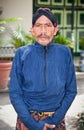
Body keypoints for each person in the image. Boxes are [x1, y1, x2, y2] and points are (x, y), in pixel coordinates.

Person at [9, 8, 77, 130]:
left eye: (48, 26)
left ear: (55, 30)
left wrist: (54, 120)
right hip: (27, 119)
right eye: (38, 26)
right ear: (32, 30)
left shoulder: (64, 52)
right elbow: (15, 93)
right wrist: (32, 123)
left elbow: (71, 90)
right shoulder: (22, 53)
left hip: (56, 119)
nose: (43, 31)